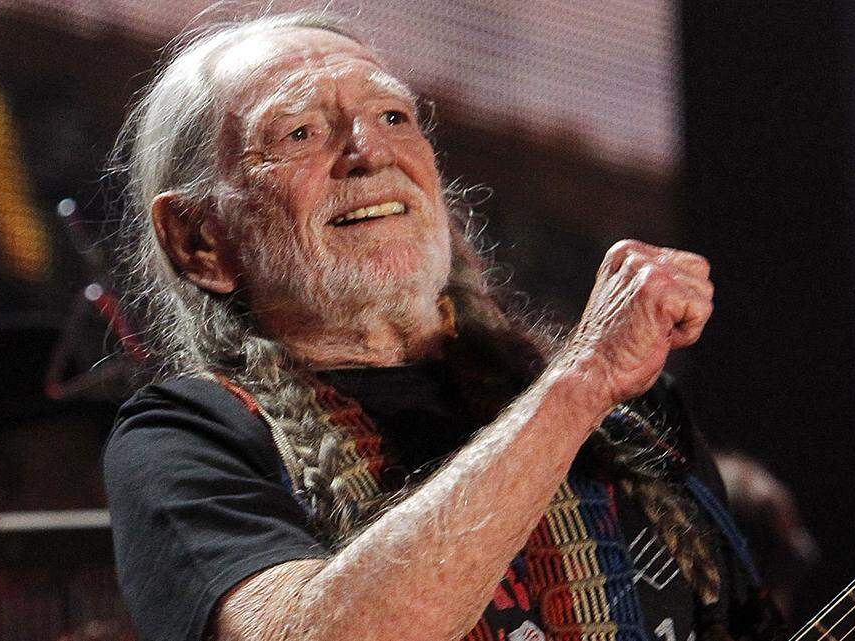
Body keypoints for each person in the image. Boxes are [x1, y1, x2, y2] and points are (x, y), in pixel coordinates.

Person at [103, 11, 783, 641]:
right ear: (198, 239)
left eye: (393, 116)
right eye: (299, 132)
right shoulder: (185, 439)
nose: (371, 151)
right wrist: (584, 379)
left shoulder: (632, 416)